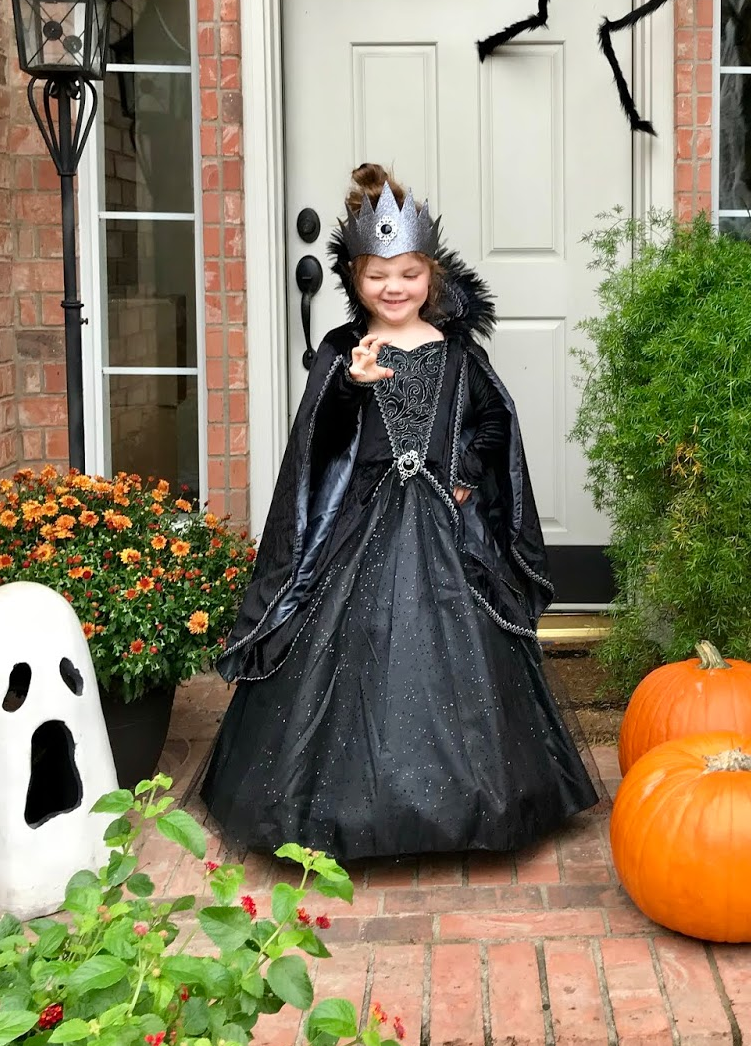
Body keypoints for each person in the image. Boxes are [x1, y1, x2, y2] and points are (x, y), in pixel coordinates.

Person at [201, 163, 598, 859]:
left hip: (447, 526)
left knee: (461, 657)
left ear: (431, 276)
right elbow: (317, 443)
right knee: (355, 648)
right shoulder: (342, 351)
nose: (394, 288)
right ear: (355, 278)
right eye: (378, 275)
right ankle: (346, 811)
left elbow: (491, 424)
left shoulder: (458, 353)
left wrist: (467, 473)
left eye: (409, 274)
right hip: (360, 525)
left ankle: (476, 805)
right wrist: (351, 387)